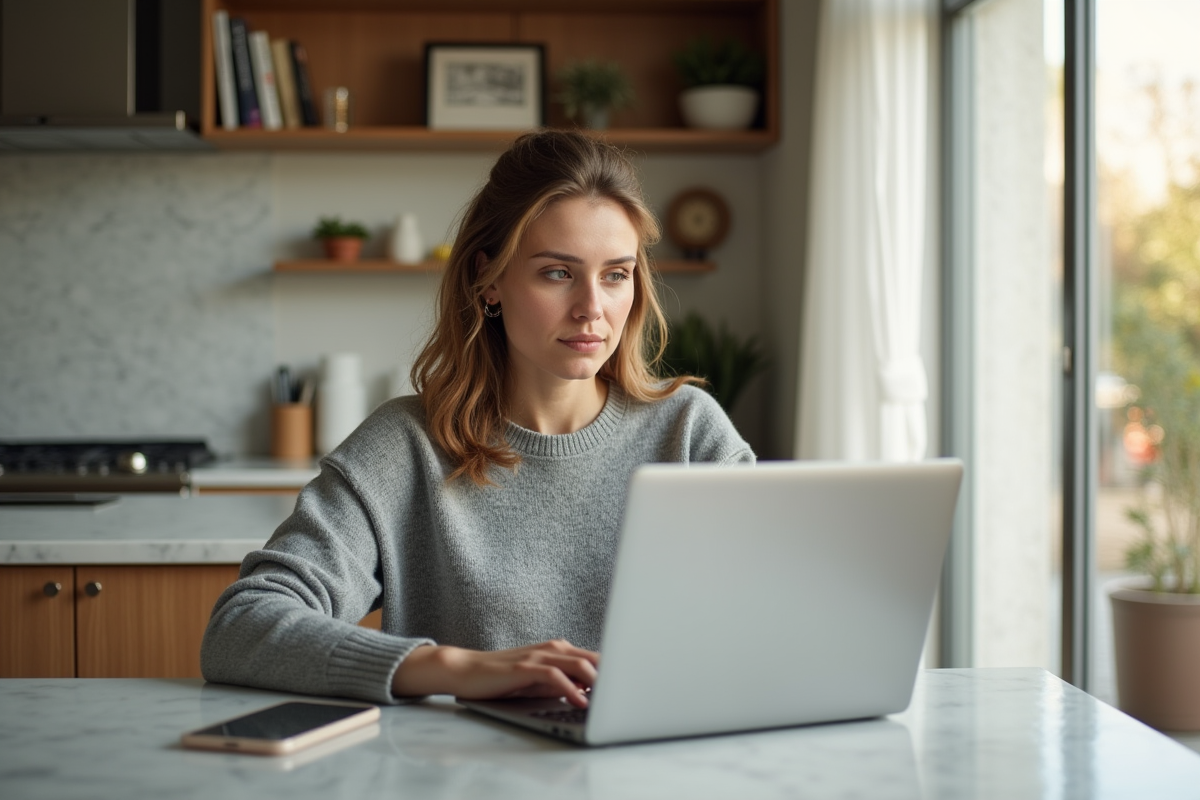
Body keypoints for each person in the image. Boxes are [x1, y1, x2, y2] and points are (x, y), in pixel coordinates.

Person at [200, 130, 755, 708]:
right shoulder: (405, 447)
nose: (592, 307)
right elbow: (241, 626)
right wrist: (451, 668)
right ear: (488, 280)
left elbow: (781, 616)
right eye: (557, 273)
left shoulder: (690, 433)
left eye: (615, 274)